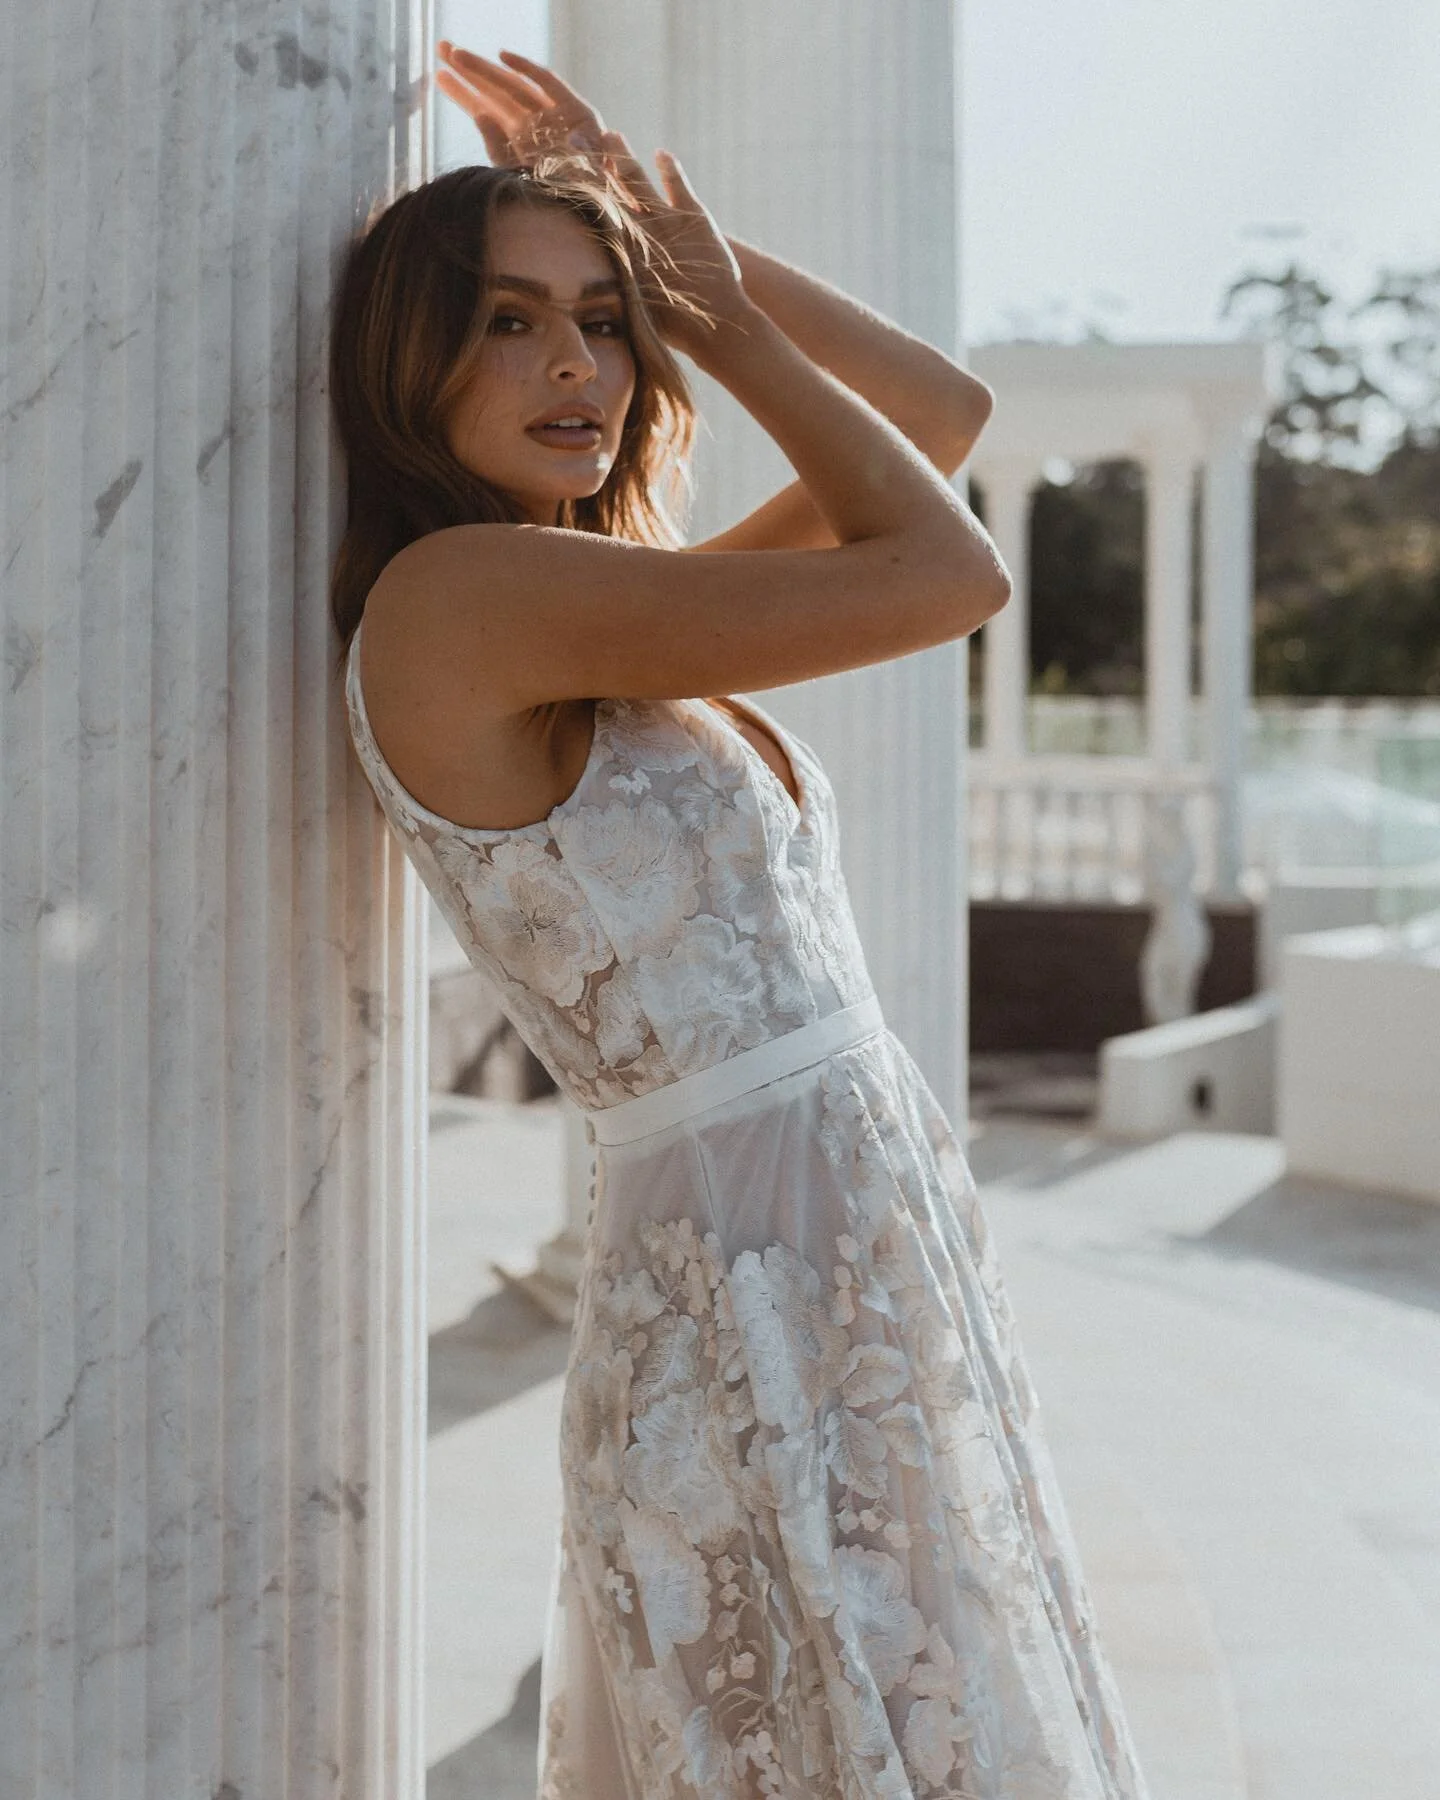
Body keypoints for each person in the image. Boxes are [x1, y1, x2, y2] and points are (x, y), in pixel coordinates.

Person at [330, 40, 1151, 1800]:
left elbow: (939, 421)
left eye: (604, 318)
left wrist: (669, 237)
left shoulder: (597, 610)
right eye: (507, 322)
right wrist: (720, 326)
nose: (579, 363)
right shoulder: (460, 597)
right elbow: (953, 571)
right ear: (407, 363)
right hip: (742, 1299)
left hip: (849, 1253)